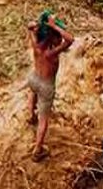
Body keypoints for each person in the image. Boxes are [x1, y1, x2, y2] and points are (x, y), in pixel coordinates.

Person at [26, 11, 74, 162]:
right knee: (44, 120)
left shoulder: (36, 45)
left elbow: (29, 28)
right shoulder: (52, 53)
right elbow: (70, 40)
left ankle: (30, 115)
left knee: (33, 93)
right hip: (46, 86)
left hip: (34, 78)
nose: (60, 39)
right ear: (51, 37)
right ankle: (38, 150)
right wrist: (54, 26)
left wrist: (34, 28)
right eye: (57, 37)